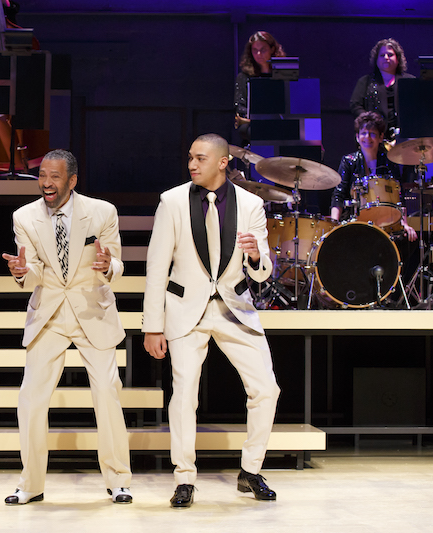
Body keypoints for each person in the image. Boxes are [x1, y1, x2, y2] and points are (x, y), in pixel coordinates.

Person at [142, 134, 280, 508]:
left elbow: (263, 270)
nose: (192, 164)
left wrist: (254, 257)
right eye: (190, 157)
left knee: (266, 388)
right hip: (186, 310)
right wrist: (152, 325)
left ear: (222, 162)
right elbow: (157, 266)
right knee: (184, 394)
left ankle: (250, 470)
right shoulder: (172, 201)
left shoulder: (251, 204)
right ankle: (184, 478)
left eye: (200, 158)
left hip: (235, 308)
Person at [1, 149, 133, 506]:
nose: (46, 183)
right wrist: (21, 273)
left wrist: (108, 266)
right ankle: (30, 484)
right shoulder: (24, 217)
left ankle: (118, 480)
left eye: (55, 177)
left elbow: (117, 262)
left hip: (92, 309)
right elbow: (34, 270)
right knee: (30, 399)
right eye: (42, 175)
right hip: (50, 313)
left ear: (72, 181)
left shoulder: (102, 212)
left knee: (107, 392)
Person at [330, 112, 417, 241]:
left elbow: (399, 195)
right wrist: (333, 224)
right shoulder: (349, 161)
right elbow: (339, 194)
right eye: (364, 133)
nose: (367, 138)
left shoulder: (389, 162)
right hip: (354, 220)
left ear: (381, 137)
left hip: (386, 221)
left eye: (372, 134)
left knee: (408, 239)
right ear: (357, 137)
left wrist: (404, 224)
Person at [350, 38, 414, 142]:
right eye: (382, 55)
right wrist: (369, 122)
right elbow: (355, 105)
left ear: (398, 58)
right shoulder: (365, 81)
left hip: (404, 137)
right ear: (376, 59)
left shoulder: (409, 81)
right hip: (374, 136)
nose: (386, 58)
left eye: (390, 55)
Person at [234, 31, 286, 142]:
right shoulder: (244, 77)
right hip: (253, 124)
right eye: (255, 50)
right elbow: (241, 106)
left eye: (263, 50)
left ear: (272, 49)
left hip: (280, 122)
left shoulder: (284, 74)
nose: (258, 54)